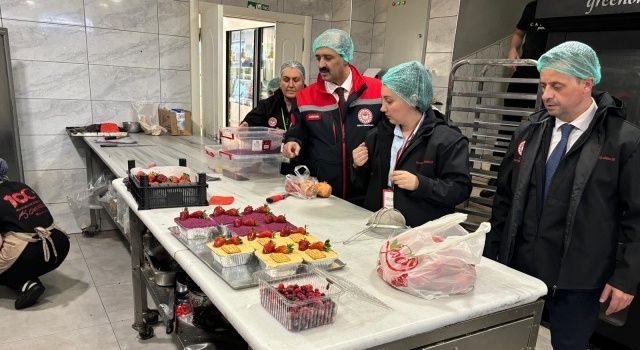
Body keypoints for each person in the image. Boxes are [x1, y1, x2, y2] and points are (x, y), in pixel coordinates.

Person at [484, 42, 639, 350]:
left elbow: (637, 215)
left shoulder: (623, 140)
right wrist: (491, 257)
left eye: (557, 86)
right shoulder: (530, 129)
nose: (547, 95)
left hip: (580, 277)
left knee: (569, 345)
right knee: (510, 340)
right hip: (521, 265)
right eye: (544, 85)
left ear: (587, 83)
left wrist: (626, 277)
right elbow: (504, 198)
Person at [351, 61, 471, 227]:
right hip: (379, 228)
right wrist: (359, 167)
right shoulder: (377, 136)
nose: (382, 109)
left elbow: (460, 190)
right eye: (382, 101)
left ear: (413, 99)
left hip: (420, 234)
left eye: (389, 101)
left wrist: (421, 184)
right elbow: (361, 186)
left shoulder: (447, 140)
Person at [282, 29, 384, 202]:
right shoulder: (306, 97)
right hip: (322, 194)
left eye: (328, 58)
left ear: (345, 58)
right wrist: (292, 141)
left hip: (365, 193)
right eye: (318, 58)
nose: (321, 64)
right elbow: (297, 130)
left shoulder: (377, 91)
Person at [481, 0, 549, 198]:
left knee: (542, 125)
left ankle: (529, 180)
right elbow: (519, 32)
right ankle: (497, 176)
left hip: (548, 76)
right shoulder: (532, 7)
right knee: (508, 125)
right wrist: (513, 50)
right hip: (524, 72)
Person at [0, 158, 70, 309]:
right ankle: (27, 281)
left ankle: (25, 283)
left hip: (33, 254)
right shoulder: (20, 185)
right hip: (60, 245)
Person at [240, 61, 305, 130]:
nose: (291, 85)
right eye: (286, 80)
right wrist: (246, 125)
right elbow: (249, 123)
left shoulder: (312, 105)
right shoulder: (268, 105)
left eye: (296, 80)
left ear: (303, 82)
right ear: (280, 82)